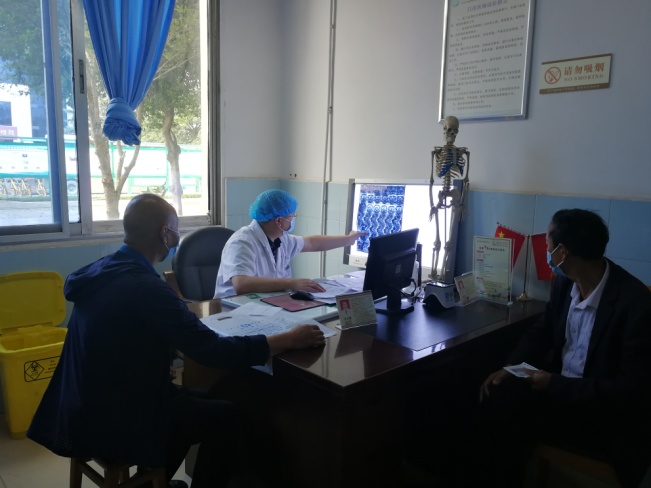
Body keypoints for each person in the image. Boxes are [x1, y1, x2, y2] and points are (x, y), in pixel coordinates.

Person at [27, 193, 326, 488]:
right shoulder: (148, 288)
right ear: (164, 233)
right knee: (225, 416)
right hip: (114, 416)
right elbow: (212, 351)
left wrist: (154, 363)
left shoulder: (102, 269)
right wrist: (285, 340)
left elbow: (118, 336)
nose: (176, 237)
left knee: (204, 400)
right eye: (175, 230)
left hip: (80, 402)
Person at [477, 209, 651, 488]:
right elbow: (542, 332)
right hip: (557, 392)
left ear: (563, 252)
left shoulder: (634, 302)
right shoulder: (564, 285)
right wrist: (510, 368)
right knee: (497, 393)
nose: (546, 251)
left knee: (511, 424)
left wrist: (554, 384)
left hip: (601, 413)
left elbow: (631, 389)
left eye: (548, 243)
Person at [214, 189, 366, 298]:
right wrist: (292, 283)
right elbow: (241, 284)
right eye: (292, 217)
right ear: (279, 221)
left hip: (265, 305)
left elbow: (312, 243)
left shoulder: (281, 239)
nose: (293, 220)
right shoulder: (242, 242)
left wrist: (348, 239)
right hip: (232, 309)